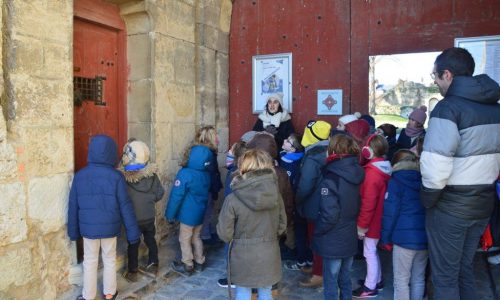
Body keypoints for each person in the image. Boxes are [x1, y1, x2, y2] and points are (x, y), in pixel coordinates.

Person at [420, 47, 500, 300]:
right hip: (483, 203)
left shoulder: (448, 108)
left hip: (451, 207)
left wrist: (428, 200)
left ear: (448, 74)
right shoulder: (495, 108)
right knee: (464, 269)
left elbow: (435, 166)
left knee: (444, 277)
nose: (433, 80)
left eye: (435, 75)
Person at [67, 135, 140, 300]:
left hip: (88, 229)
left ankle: (88, 296)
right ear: (111, 154)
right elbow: (125, 206)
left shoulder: (80, 176)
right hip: (110, 229)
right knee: (109, 259)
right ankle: (109, 293)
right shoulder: (117, 177)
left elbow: (73, 206)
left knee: (90, 261)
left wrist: (73, 232)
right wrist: (133, 233)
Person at [217, 149, 287, 300]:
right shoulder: (276, 195)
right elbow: (282, 226)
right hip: (269, 252)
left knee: (243, 293)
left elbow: (224, 233)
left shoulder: (232, 199)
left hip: (243, 256)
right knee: (266, 293)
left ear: (243, 166)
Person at [312, 134, 364, 300]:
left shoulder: (331, 178)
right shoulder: (358, 171)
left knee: (331, 282)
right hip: (349, 234)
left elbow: (330, 214)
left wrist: (318, 231)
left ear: (333, 150)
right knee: (345, 278)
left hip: (333, 237)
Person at [380, 150, 428, 300]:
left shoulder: (395, 182)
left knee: (401, 279)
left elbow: (390, 214)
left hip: (403, 239)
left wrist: (385, 239)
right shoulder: (426, 179)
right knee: (418, 278)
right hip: (425, 238)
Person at [119, 139, 165, 282]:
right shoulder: (152, 176)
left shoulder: (124, 179)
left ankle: (133, 271)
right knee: (150, 239)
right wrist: (150, 200)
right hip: (149, 216)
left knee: (133, 243)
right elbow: (160, 193)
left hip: (133, 218)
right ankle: (153, 263)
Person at [165, 144, 213, 276]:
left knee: (184, 238)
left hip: (187, 214)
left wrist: (170, 214)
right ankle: (200, 262)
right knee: (196, 237)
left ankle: (187, 264)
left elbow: (176, 196)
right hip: (200, 213)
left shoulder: (185, 173)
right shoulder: (206, 175)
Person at [353, 134, 391, 298]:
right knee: (372, 251)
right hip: (380, 217)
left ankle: (370, 287)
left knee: (369, 252)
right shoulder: (384, 167)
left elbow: (368, 204)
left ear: (368, 151)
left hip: (373, 220)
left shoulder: (372, 174)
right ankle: (377, 280)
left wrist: (362, 226)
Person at [295, 120, 332, 288]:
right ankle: (319, 268)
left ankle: (319, 274)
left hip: (314, 204)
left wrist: (298, 199)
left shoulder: (313, 156)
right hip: (328, 203)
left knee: (315, 239)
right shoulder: (330, 150)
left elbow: (306, 184)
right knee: (321, 238)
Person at [197, 126, 223, 245]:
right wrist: (215, 190)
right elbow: (211, 174)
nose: (218, 137)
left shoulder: (203, 150)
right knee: (207, 212)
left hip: (203, 187)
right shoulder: (208, 153)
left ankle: (208, 233)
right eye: (216, 135)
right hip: (206, 188)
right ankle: (205, 236)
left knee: (208, 212)